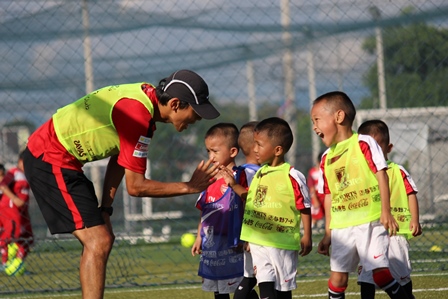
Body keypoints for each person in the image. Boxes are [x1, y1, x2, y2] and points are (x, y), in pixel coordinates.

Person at [22, 69, 221, 299]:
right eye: (195, 113)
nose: (195, 120)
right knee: (98, 241)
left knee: (103, 238)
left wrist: (106, 209)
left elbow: (119, 157)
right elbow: (136, 187)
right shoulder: (138, 116)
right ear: (175, 104)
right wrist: (189, 186)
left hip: (62, 160)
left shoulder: (146, 102)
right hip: (49, 157)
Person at [311, 91, 409, 299]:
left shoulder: (364, 143)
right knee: (338, 279)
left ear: (338, 117)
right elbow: (329, 195)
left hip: (370, 221)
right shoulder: (327, 157)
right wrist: (328, 233)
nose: (314, 127)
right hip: (341, 226)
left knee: (380, 274)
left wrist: (385, 212)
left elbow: (381, 174)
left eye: (317, 120)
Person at [229, 117, 312, 299]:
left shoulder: (292, 176)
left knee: (283, 291)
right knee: (265, 285)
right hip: (259, 241)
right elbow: (251, 201)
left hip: (282, 243)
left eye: (259, 144)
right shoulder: (260, 173)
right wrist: (234, 186)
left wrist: (307, 235)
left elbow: (304, 206)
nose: (255, 149)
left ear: (277, 150)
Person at [357, 119, 422, 299]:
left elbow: (411, 193)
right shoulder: (360, 173)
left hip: (396, 232)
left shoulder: (398, 170)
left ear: (389, 147)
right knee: (367, 277)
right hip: (369, 231)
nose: (372, 152)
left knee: (401, 276)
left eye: (377, 146)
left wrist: (415, 220)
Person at [191, 123, 245, 299]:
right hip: (212, 244)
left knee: (239, 289)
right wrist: (199, 236)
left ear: (233, 152)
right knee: (218, 289)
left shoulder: (240, 177)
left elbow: (246, 205)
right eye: (208, 151)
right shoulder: (208, 179)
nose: (210, 156)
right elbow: (204, 210)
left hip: (232, 244)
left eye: (215, 151)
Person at [232, 121, 260, 299]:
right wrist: (245, 237)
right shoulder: (247, 174)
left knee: (259, 277)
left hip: (263, 234)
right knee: (250, 278)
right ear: (256, 146)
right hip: (254, 235)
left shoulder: (260, 171)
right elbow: (245, 206)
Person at [0, 150, 34, 269]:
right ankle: (4, 263)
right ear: (20, 161)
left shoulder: (27, 174)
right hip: (11, 208)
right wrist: (14, 199)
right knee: (12, 234)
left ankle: (17, 265)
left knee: (28, 238)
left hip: (23, 211)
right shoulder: (13, 172)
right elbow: (2, 185)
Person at [307, 150, 325, 229]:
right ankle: (311, 228)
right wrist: (315, 199)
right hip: (317, 197)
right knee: (315, 214)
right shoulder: (312, 172)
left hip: (325, 196)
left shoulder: (325, 171)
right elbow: (311, 187)